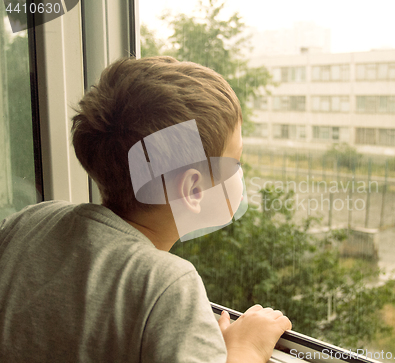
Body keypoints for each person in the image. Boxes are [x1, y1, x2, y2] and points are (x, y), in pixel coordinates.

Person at [0, 56, 292, 363]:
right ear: (192, 190)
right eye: (235, 161)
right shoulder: (168, 284)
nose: (239, 173)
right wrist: (247, 347)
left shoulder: (30, 221)